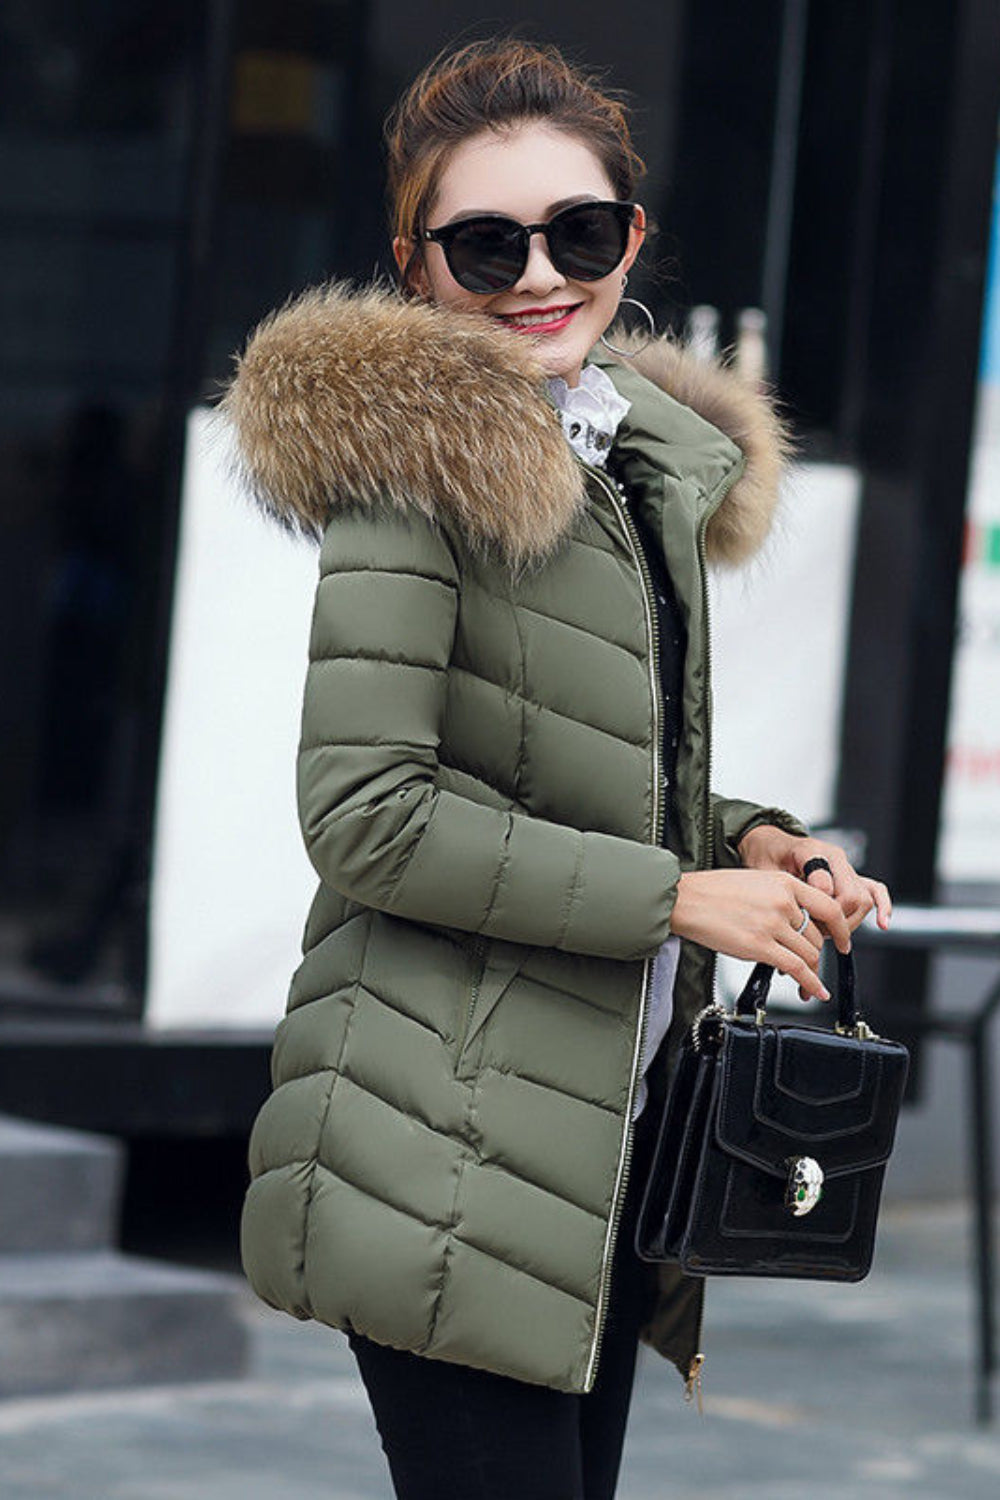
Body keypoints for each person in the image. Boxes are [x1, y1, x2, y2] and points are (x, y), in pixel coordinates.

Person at [223, 37, 891, 1500]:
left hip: (597, 1136)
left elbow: (580, 772)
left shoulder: (633, 470)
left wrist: (756, 846)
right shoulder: (417, 474)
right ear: (417, 266)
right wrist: (678, 899)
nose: (539, 276)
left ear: (631, 239)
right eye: (486, 244)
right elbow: (369, 815)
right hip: (438, 1136)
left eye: (578, 234)